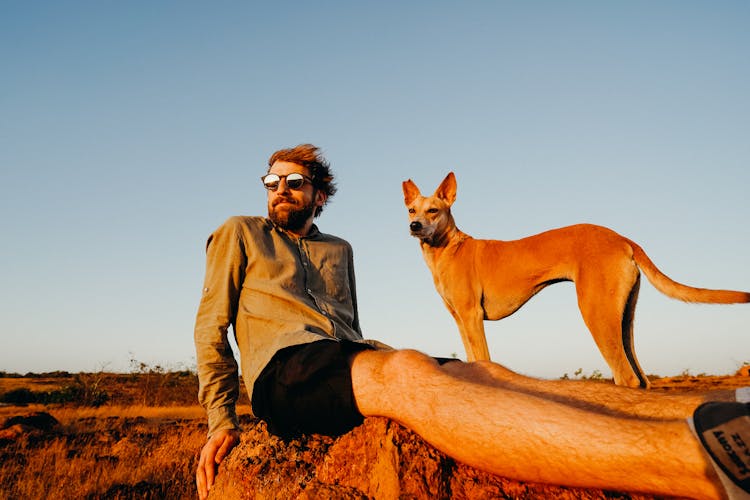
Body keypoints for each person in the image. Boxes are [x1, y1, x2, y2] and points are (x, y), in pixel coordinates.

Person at [194, 144, 750, 500]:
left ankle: (714, 415)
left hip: (344, 360)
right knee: (409, 371)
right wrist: (222, 419)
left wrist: (394, 355)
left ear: (319, 194)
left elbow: (350, 333)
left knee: (488, 374)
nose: (281, 189)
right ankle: (695, 462)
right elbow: (210, 326)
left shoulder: (339, 249)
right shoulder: (240, 232)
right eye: (272, 180)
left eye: (295, 181)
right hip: (284, 372)